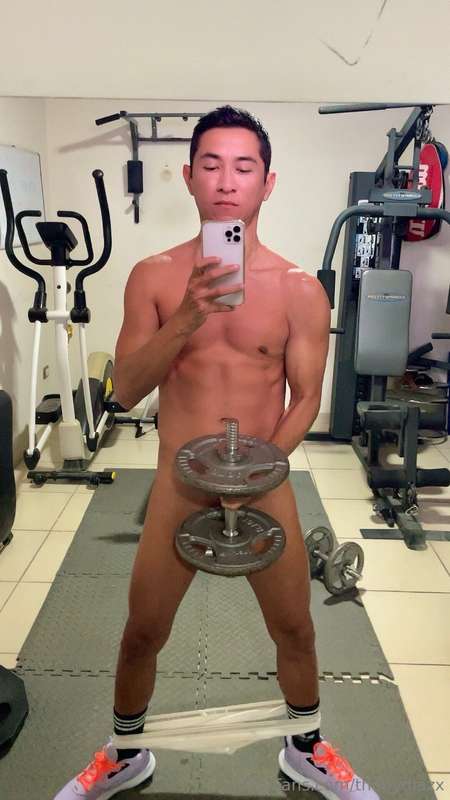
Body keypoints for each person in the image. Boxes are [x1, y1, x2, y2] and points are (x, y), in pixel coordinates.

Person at [54, 105, 380, 800]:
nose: (227, 181)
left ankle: (306, 749)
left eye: (243, 167)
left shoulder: (299, 289)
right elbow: (126, 390)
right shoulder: (152, 277)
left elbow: (305, 399)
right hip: (179, 483)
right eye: (212, 165)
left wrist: (256, 476)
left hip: (263, 482)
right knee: (142, 632)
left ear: (267, 183)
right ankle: (126, 753)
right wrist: (188, 318)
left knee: (295, 628)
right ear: (190, 178)